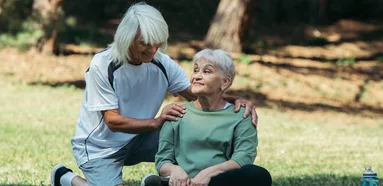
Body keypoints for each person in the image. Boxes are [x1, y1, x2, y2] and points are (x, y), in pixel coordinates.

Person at [50, 3, 258, 186]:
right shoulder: (102, 66)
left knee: (194, 135)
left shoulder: (162, 63)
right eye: (144, 43)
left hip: (142, 139)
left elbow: (196, 94)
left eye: (157, 43)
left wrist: (234, 99)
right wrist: (156, 122)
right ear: (127, 38)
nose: (152, 50)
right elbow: (112, 121)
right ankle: (68, 180)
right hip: (100, 148)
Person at [141, 49, 271, 186]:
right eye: (196, 70)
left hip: (219, 182)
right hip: (183, 183)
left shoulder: (241, 116)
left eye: (207, 71)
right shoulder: (176, 113)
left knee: (257, 174)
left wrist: (209, 174)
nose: (196, 76)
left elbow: (243, 158)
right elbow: (162, 160)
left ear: (225, 82)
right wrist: (174, 170)